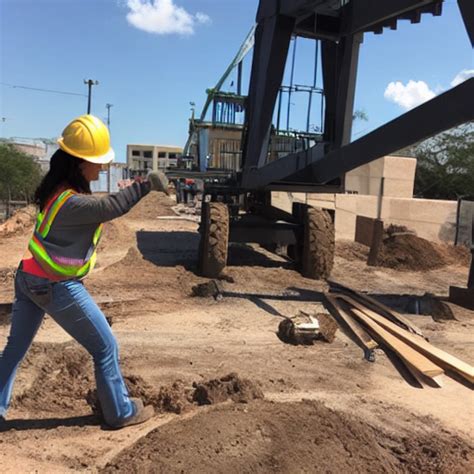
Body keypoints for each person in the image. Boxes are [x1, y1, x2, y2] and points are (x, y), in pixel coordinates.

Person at [0, 114, 168, 429]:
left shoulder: (57, 192)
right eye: (97, 162)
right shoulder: (71, 203)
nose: (102, 168)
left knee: (15, 348)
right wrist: (146, 184)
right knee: (105, 346)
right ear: (79, 163)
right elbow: (109, 208)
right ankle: (120, 412)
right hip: (53, 284)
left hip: (28, 278)